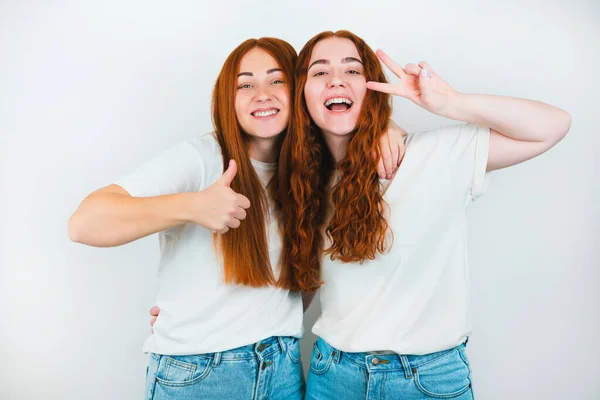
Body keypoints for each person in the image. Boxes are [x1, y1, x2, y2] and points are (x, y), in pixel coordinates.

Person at [69, 36, 405, 399]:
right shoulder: (202, 159)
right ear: (228, 100)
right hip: (200, 376)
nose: (262, 94)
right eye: (245, 84)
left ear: (300, 93)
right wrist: (192, 206)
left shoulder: (313, 173)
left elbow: (306, 276)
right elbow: (85, 223)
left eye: (277, 80)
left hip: (283, 371)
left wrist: (387, 127)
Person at [277, 30, 571, 399]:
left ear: (373, 88)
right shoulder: (302, 184)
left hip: (428, 381)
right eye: (319, 72)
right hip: (333, 377)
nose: (336, 79)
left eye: (352, 71)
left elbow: (552, 126)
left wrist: (449, 102)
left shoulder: (433, 156)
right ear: (302, 93)